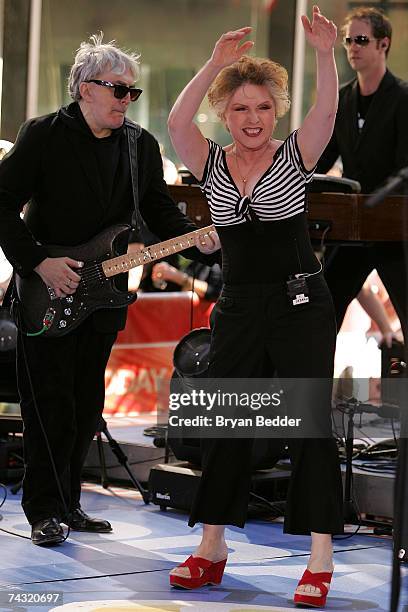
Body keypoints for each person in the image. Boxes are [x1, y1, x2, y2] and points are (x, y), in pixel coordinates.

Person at [0, 33, 219, 546]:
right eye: (117, 89)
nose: (126, 99)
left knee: (83, 405)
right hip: (47, 291)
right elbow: (1, 203)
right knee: (48, 405)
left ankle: (70, 506)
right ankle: (43, 513)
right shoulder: (44, 135)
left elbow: (158, 212)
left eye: (131, 92)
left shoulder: (139, 146)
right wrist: (38, 262)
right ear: (83, 88)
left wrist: (197, 240)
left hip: (103, 297)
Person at [167, 6, 343, 608]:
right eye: (239, 108)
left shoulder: (296, 155)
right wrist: (215, 62)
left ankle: (320, 557)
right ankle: (212, 545)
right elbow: (175, 121)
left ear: (276, 112)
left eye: (263, 108)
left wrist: (324, 53)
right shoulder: (210, 162)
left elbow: (326, 111)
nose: (251, 119)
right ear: (225, 113)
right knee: (226, 421)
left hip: (300, 305)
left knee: (308, 426)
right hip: (238, 307)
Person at [317, 7, 408, 339]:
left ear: (383, 44)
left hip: (393, 227)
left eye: (361, 40)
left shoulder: (402, 98)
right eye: (348, 40)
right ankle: (312, 390)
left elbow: (403, 169)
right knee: (324, 312)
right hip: (352, 227)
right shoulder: (342, 98)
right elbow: (322, 157)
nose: (352, 47)